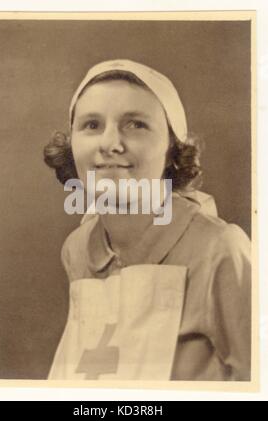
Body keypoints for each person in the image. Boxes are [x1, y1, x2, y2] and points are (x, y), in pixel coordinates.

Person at [44, 59, 251, 381]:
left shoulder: (218, 249)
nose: (110, 144)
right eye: (92, 125)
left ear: (172, 149)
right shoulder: (78, 249)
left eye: (135, 124)